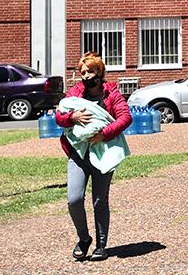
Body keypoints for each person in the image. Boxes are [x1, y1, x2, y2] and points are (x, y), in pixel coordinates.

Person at [54, 53, 132, 261]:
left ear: (100, 72)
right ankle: (84, 238)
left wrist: (103, 134)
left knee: (99, 201)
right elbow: (59, 117)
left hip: (103, 153)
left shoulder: (112, 94)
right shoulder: (75, 94)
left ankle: (101, 245)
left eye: (91, 71)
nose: (87, 76)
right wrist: (72, 117)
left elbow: (125, 117)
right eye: (83, 72)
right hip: (78, 154)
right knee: (74, 200)